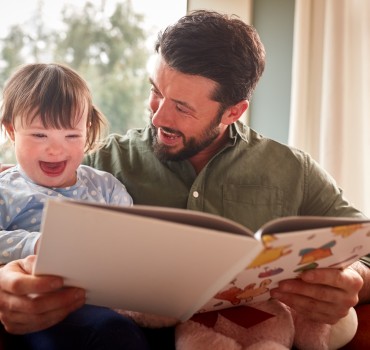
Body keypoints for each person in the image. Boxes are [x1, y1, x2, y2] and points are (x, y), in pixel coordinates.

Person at [0, 10, 369, 349]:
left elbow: (363, 251)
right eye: (155, 92)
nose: (158, 117)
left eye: (181, 107)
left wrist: (349, 279)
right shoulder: (99, 165)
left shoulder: (293, 171)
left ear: (234, 111)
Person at [0, 63, 149, 349]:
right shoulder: (7, 189)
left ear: (87, 130)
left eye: (71, 136)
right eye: (39, 135)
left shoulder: (105, 187)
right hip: (40, 307)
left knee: (122, 331)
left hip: (108, 301)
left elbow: (133, 236)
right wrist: (36, 244)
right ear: (11, 131)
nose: (56, 149)